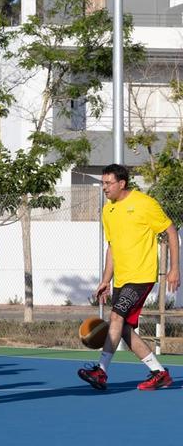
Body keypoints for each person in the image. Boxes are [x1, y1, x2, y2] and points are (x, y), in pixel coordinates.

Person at [78, 164, 178, 391]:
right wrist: (105, 280)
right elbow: (112, 247)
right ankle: (159, 373)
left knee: (115, 317)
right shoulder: (108, 210)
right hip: (121, 279)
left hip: (142, 276)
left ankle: (101, 371)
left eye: (108, 183)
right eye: (102, 183)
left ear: (121, 183)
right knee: (122, 328)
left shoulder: (144, 203)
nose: (104, 188)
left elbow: (171, 231)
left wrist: (174, 268)